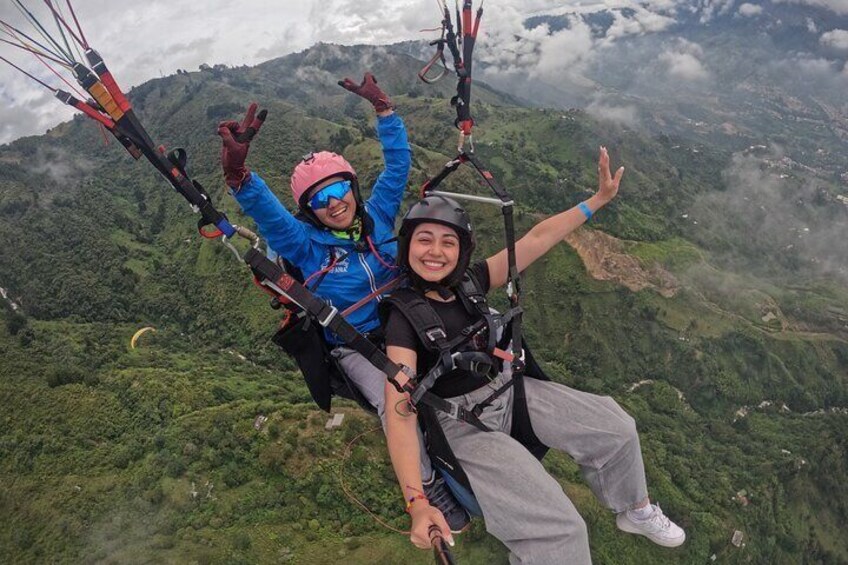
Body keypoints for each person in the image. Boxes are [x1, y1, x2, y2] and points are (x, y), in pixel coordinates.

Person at [382, 147, 686, 563]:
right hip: (465, 424)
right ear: (408, 248)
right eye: (424, 240)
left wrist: (596, 202)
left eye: (447, 242)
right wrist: (416, 503)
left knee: (616, 427)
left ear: (462, 251)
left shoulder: (472, 282)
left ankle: (634, 509)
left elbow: (537, 239)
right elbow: (399, 413)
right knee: (559, 530)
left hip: (510, 390)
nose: (435, 251)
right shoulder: (403, 320)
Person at [217, 73, 469, 531]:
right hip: (356, 344)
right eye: (320, 200)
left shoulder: (377, 215)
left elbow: (397, 166)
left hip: (408, 321)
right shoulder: (304, 245)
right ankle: (427, 487)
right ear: (309, 210)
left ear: (353, 188)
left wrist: (385, 111)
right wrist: (239, 178)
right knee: (399, 407)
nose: (335, 205)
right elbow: (269, 216)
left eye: (339, 191)